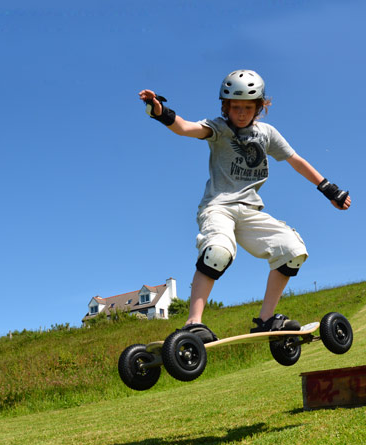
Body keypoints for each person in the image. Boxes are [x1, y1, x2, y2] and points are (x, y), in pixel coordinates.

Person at [138, 69, 351, 343]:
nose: (241, 113)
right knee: (218, 252)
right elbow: (185, 127)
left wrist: (329, 189)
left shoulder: (267, 134)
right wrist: (160, 112)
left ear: (259, 107)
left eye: (248, 107)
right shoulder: (218, 128)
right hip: (218, 208)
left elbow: (295, 160)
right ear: (226, 107)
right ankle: (193, 323)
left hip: (250, 212)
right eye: (235, 107)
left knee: (293, 251)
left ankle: (265, 321)